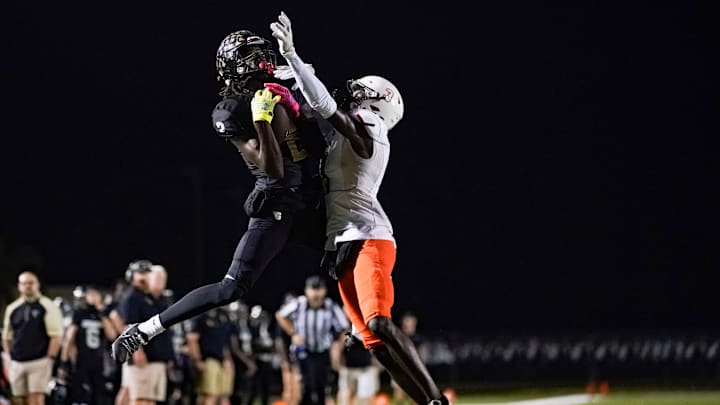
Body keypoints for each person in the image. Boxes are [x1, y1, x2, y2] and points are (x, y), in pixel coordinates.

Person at [111, 28, 327, 366]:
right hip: (277, 205)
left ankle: (364, 327)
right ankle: (144, 330)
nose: (263, 60)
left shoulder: (278, 90)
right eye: (252, 56)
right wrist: (262, 121)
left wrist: (305, 84)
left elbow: (317, 142)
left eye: (262, 52)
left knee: (347, 252)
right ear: (234, 66)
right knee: (230, 288)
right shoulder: (231, 110)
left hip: (306, 199)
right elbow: (275, 170)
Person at [269, 12, 450, 405]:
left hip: (368, 238)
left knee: (380, 323)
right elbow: (318, 107)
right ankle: (429, 402)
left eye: (361, 91)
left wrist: (296, 57)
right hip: (344, 243)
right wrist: (299, 75)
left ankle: (437, 400)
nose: (354, 94)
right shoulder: (348, 130)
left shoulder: (370, 125)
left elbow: (329, 107)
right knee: (375, 344)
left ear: (376, 101)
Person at [275, 276, 350, 405]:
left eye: (318, 289)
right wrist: (293, 333)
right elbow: (280, 315)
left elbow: (345, 327)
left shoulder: (330, 305)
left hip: (322, 351)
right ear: (306, 290)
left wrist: (337, 346)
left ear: (324, 291)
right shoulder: (299, 303)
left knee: (322, 387)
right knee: (305, 386)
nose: (316, 293)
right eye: (313, 289)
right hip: (302, 350)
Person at [114, 260, 175, 405]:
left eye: (147, 273)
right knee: (142, 399)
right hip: (145, 355)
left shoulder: (155, 299)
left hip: (155, 356)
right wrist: (137, 351)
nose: (144, 276)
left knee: (135, 395)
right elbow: (127, 325)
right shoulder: (133, 297)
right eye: (141, 273)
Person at [1, 271, 64, 405]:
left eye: (31, 283)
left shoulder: (47, 306)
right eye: (24, 283)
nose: (28, 286)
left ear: (37, 285)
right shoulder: (12, 308)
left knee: (36, 398)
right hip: (17, 361)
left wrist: (50, 358)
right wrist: (9, 356)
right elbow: (7, 336)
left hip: (39, 361)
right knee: (18, 399)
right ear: (19, 286)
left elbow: (56, 335)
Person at [59, 286, 117, 405]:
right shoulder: (79, 314)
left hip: (100, 363)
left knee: (98, 397)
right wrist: (64, 362)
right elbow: (69, 338)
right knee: (81, 397)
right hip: (81, 361)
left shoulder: (102, 315)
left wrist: (102, 313)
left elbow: (112, 335)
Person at [331, 328, 379, 405]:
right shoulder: (345, 330)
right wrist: (337, 363)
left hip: (365, 368)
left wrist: (377, 363)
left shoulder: (366, 329)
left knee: (364, 397)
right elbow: (337, 346)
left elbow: (375, 346)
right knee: (345, 395)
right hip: (348, 368)